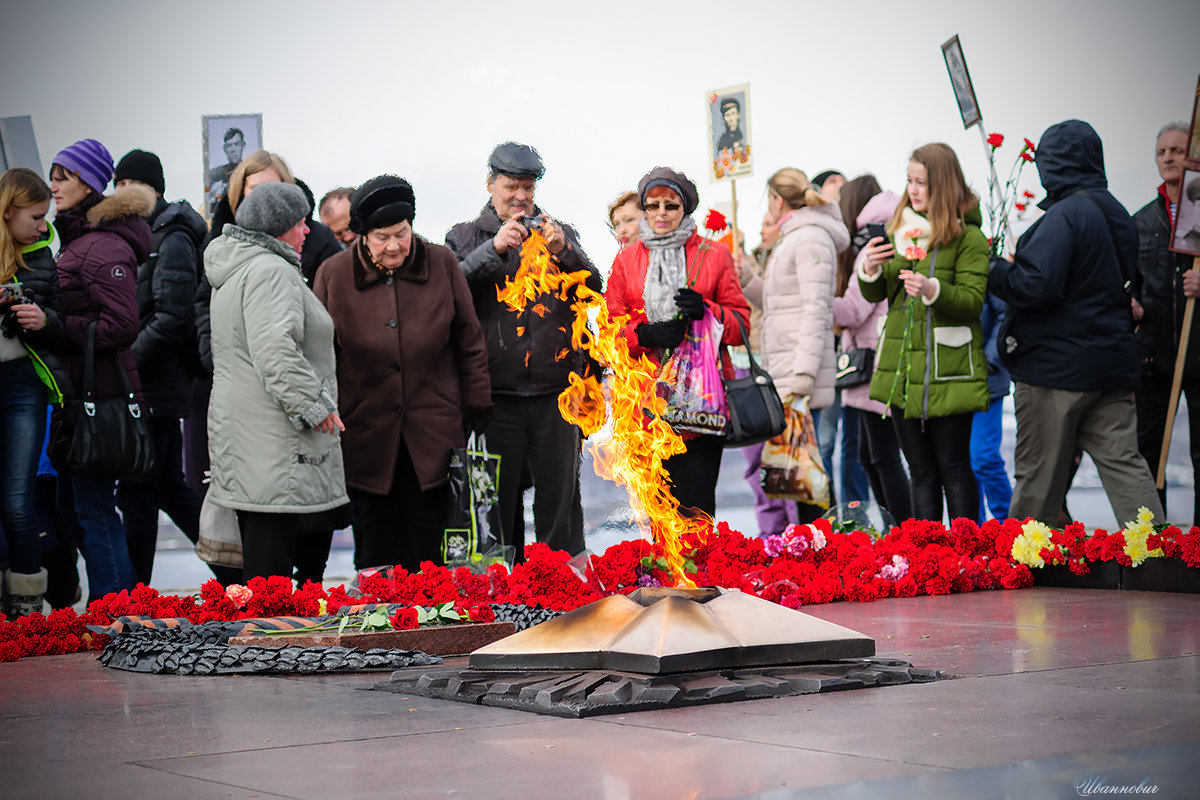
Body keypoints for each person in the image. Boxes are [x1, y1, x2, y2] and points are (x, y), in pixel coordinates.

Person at [989, 119, 1164, 527]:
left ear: (1050, 165)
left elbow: (1037, 287)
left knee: (1038, 475)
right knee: (1125, 466)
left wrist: (994, 269)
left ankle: (1027, 563)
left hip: (1055, 369)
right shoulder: (1118, 213)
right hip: (1112, 364)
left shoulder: (1064, 216)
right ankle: (1158, 554)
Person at [314, 175, 492, 572]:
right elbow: (318, 354)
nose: (394, 245)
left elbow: (469, 339)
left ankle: (430, 622)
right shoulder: (333, 275)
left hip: (434, 427)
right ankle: (378, 627)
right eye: (382, 237)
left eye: (402, 233)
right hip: (365, 430)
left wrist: (477, 406)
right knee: (376, 544)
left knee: (429, 546)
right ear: (361, 235)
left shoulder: (442, 263)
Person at [445, 142, 602, 559]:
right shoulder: (462, 236)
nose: (520, 196)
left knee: (560, 509)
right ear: (490, 184)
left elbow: (595, 287)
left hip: (557, 393)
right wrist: (492, 250)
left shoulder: (558, 231)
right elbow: (450, 293)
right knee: (493, 512)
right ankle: (499, 605)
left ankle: (563, 595)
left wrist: (564, 250)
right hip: (495, 396)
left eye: (528, 188)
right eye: (511, 186)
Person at [204, 181, 350, 585]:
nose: (307, 231)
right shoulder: (270, 271)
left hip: (254, 440)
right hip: (273, 443)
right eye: (301, 223)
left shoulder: (240, 267)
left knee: (266, 577)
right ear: (277, 228)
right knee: (273, 583)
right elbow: (276, 351)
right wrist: (316, 406)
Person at [109, 149, 238, 587]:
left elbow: (173, 316)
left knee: (142, 493)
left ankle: (133, 596)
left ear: (154, 188)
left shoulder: (172, 235)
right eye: (118, 185)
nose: (122, 193)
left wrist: (127, 363)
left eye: (131, 184)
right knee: (161, 489)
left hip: (156, 388)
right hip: (148, 386)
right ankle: (233, 578)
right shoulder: (141, 233)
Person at [606, 166, 750, 518]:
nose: (660, 214)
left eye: (670, 206)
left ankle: (704, 575)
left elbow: (741, 326)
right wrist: (645, 334)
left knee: (697, 513)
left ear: (685, 208)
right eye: (652, 206)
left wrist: (708, 310)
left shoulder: (714, 254)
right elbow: (610, 332)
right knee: (657, 517)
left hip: (702, 407)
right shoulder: (627, 259)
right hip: (645, 409)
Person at [859, 142, 989, 523]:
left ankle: (966, 551)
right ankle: (927, 553)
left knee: (954, 466)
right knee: (920, 470)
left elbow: (972, 301)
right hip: (904, 369)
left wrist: (933, 290)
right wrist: (869, 268)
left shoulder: (969, 238)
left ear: (944, 185)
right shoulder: (903, 231)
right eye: (910, 181)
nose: (913, 190)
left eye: (922, 183)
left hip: (949, 368)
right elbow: (878, 292)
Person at [49, 139, 152, 603]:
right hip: (85, 392)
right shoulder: (81, 239)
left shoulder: (100, 245)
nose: (53, 186)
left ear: (88, 183)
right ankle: (118, 602)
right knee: (82, 506)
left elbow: (122, 325)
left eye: (62, 176)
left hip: (100, 397)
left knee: (93, 507)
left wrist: (52, 325)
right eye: (52, 176)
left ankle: (113, 608)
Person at [759, 168, 849, 522]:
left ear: (778, 200)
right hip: (788, 367)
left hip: (799, 371)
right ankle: (818, 552)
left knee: (810, 473)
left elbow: (817, 309)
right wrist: (748, 277)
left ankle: (829, 553)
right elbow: (780, 304)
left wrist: (804, 373)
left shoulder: (809, 237)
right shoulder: (795, 236)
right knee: (801, 474)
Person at [0, 169, 64, 616]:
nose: (43, 227)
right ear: (7, 212)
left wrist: (44, 321)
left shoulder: (43, 257)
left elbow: (61, 320)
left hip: (24, 384)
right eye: (37, 217)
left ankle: (26, 617)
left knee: (19, 505)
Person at [834, 176, 912, 523]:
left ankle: (903, 529)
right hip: (875, 361)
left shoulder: (871, 245)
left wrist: (818, 302)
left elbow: (855, 308)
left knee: (881, 456)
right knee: (871, 456)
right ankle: (897, 528)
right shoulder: (884, 238)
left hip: (875, 364)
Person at [1134, 121, 1199, 522]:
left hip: (1199, 355)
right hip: (1155, 359)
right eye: (1162, 152)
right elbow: (1128, 281)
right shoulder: (1141, 221)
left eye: (1177, 150)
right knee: (1147, 453)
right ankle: (1152, 541)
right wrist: (1132, 303)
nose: (1169, 157)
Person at [207, 150, 342, 287]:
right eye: (255, 188)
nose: (264, 195)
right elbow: (205, 300)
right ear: (241, 191)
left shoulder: (318, 238)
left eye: (272, 186)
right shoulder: (221, 245)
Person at [972, 290, 1012, 521]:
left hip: (987, 376)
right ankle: (973, 535)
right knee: (963, 464)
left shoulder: (987, 262)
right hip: (954, 379)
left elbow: (1004, 316)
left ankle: (1008, 525)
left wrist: (987, 361)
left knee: (983, 456)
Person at [207, 127, 245, 202]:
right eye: (229, 145)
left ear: (243, 146)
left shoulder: (252, 171)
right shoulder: (215, 174)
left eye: (237, 144)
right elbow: (205, 190)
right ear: (225, 149)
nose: (233, 149)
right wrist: (211, 192)